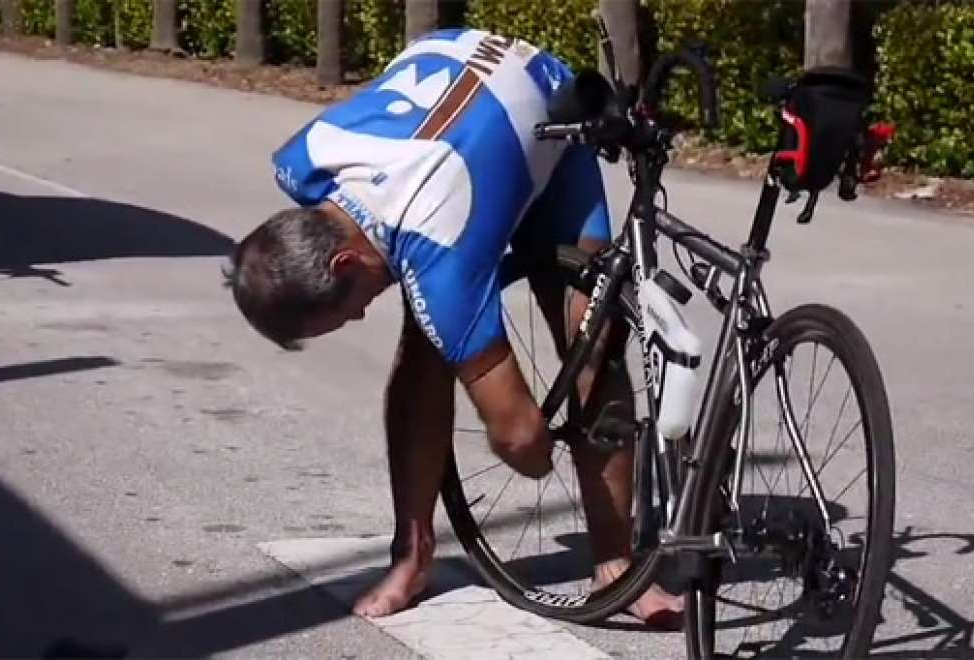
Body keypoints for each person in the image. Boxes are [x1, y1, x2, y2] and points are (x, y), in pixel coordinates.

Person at [224, 28, 681, 627]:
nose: (359, 315)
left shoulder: (438, 256)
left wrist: (534, 442)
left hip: (547, 122)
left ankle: (617, 562)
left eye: (344, 310)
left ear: (342, 262)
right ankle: (412, 556)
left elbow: (522, 442)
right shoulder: (303, 161)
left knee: (590, 340)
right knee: (427, 332)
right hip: (461, 66)